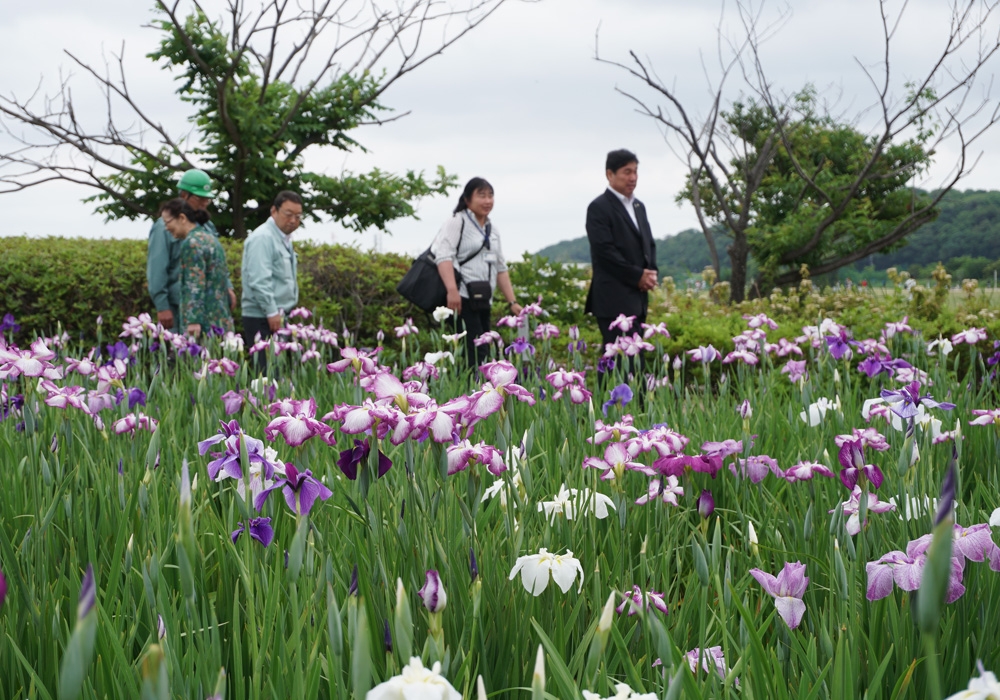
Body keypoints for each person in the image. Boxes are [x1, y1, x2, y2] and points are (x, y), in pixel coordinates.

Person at [432, 177, 522, 367]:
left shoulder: (492, 229)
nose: (487, 201)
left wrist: (512, 302)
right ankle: (472, 391)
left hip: (484, 299)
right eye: (481, 195)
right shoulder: (457, 222)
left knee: (484, 349)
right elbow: (443, 257)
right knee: (475, 350)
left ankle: (476, 388)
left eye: (490, 195)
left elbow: (500, 267)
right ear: (467, 199)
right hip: (462, 298)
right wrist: (452, 291)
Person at [584, 149, 658, 348]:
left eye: (635, 172)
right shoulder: (599, 207)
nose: (632, 177)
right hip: (613, 299)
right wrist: (637, 276)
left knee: (636, 365)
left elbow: (649, 244)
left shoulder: (638, 206)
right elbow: (605, 252)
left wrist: (651, 273)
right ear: (610, 174)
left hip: (638, 299)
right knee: (616, 363)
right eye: (627, 172)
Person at [146, 169, 236, 330]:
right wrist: (162, 305)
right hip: (178, 306)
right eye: (199, 198)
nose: (204, 203)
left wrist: (227, 286)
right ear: (183, 195)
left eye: (207, 199)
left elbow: (215, 264)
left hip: (206, 308)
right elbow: (157, 269)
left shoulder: (206, 227)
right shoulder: (164, 226)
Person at [160, 198, 234, 337]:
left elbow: (194, 284)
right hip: (220, 321)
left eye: (167, 222)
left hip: (203, 326)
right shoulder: (210, 238)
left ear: (182, 218)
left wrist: (192, 321)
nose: (166, 228)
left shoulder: (191, 243)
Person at [241, 191, 302, 349]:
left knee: (279, 372)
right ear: (274, 211)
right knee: (266, 371)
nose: (293, 220)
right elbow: (259, 280)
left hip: (277, 316)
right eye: (288, 214)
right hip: (262, 317)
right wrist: (271, 311)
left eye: (298, 216)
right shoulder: (263, 238)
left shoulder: (284, 239)